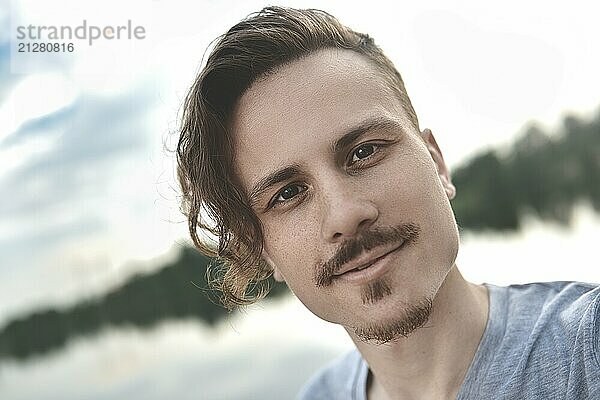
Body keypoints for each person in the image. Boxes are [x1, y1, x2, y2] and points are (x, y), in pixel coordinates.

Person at [176, 6, 600, 399]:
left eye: (364, 152)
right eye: (287, 193)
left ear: (436, 162)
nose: (344, 213)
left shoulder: (585, 349)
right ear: (263, 249)